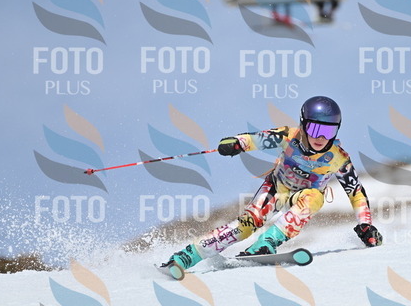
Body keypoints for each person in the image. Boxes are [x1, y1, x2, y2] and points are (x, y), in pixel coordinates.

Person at [161, 96, 382, 279]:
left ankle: (266, 243)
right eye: (315, 128)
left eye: (329, 131)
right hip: (276, 190)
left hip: (303, 196)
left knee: (315, 197)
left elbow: (355, 191)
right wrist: (237, 143)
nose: (321, 137)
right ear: (303, 124)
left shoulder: (338, 158)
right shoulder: (290, 136)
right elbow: (257, 139)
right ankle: (187, 256)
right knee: (247, 224)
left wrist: (365, 225)